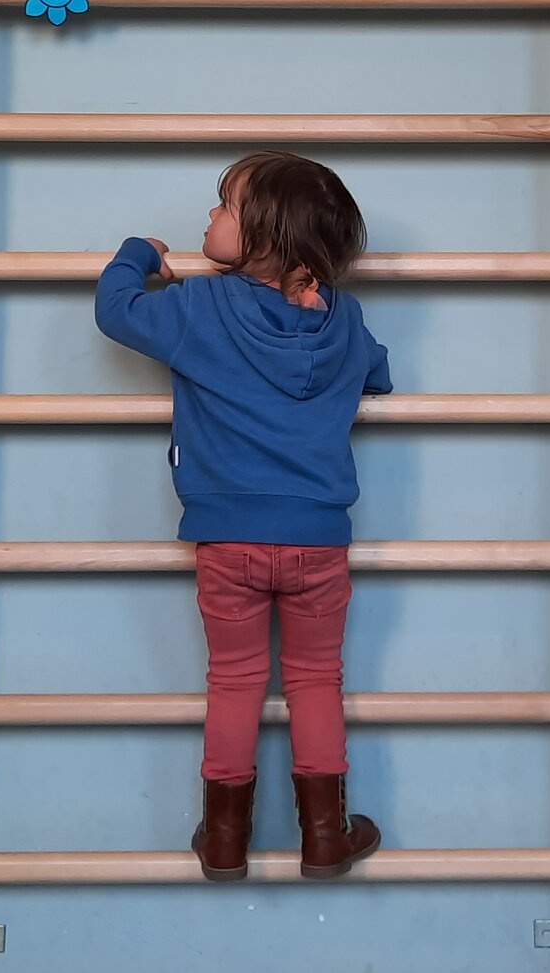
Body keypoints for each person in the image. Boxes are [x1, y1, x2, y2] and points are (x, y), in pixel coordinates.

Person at [94, 151, 393, 881]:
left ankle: (225, 837)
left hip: (226, 539)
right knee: (316, 679)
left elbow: (115, 310)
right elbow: (378, 373)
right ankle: (325, 834)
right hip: (318, 539)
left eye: (223, 206)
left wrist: (140, 254)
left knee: (233, 680)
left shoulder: (197, 306)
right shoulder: (345, 320)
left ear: (264, 235)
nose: (208, 216)